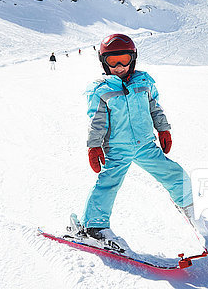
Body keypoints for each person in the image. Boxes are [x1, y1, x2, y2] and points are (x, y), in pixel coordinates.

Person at [81, 33, 193, 249]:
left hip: (146, 145)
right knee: (108, 185)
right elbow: (96, 121)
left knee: (176, 174)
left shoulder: (144, 82)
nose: (120, 66)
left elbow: (155, 107)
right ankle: (94, 226)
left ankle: (187, 205)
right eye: (113, 62)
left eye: (124, 59)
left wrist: (163, 129)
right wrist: (94, 145)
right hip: (117, 148)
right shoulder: (101, 89)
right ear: (104, 63)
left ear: (133, 58)